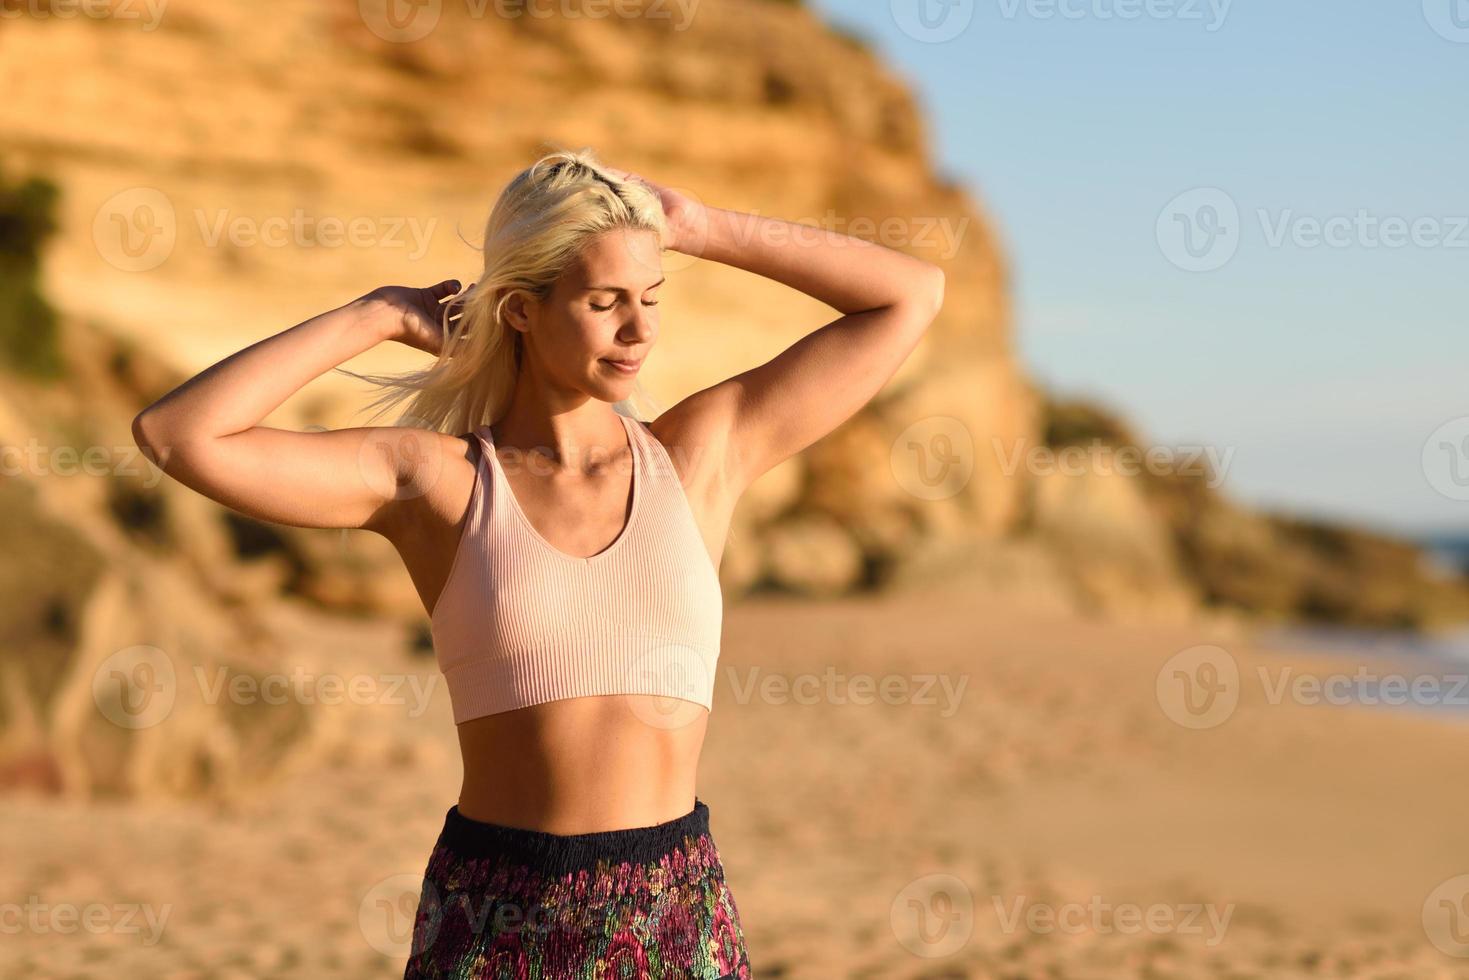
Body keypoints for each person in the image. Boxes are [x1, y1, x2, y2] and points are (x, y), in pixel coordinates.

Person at [132, 146, 945, 978]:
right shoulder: (437, 486)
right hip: (495, 914)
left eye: (650, 298)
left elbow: (908, 296)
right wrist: (375, 314)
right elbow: (177, 435)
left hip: (673, 906)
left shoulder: (701, 456)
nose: (639, 330)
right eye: (605, 302)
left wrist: (699, 226)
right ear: (520, 309)